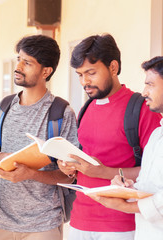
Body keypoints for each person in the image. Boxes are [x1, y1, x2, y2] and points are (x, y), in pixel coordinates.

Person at [58, 34, 162, 240]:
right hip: (79, 219)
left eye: (91, 73)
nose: (84, 81)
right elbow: (87, 161)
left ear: (113, 67)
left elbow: (151, 173)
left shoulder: (142, 109)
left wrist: (103, 172)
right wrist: (69, 167)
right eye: (79, 75)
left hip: (121, 225)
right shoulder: (86, 108)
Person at [0, 35, 79, 240]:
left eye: (27, 62)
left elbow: (69, 175)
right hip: (0, 220)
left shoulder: (61, 113)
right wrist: (2, 157)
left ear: (46, 71)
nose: (18, 66)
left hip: (44, 224)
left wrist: (30, 173)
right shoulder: (3, 108)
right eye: (18, 59)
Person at [88, 56, 163, 240]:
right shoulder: (157, 135)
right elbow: (151, 185)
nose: (144, 92)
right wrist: (128, 188)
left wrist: (123, 206)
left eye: (150, 85)